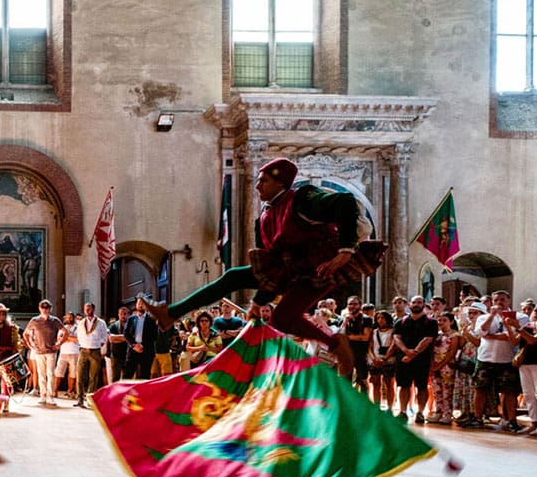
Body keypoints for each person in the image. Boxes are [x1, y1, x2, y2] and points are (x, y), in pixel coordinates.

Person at [140, 158, 384, 377]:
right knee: (234, 277)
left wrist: (345, 250)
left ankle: (336, 345)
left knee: (283, 318)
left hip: (316, 270)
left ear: (281, 183)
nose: (257, 186)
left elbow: (344, 201)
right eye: (257, 181)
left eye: (263, 180)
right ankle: (170, 313)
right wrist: (258, 302)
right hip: (288, 272)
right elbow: (270, 269)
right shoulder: (264, 219)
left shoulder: (302, 199)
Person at [463, 290, 527, 432]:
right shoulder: (483, 317)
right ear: (492, 302)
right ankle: (478, 418)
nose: (499, 303)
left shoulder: (520, 317)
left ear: (509, 301)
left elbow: (513, 338)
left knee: (509, 391)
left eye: (502, 299)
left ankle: (511, 420)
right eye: (496, 300)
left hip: (507, 359)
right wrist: (492, 316)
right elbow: (481, 332)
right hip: (485, 358)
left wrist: (494, 334)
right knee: (480, 389)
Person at [503, 299, 537, 436]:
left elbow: (533, 340)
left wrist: (518, 327)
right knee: (529, 393)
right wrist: (509, 327)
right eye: (536, 308)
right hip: (525, 362)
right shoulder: (529, 325)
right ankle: (534, 422)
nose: (536, 310)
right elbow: (514, 341)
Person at [392, 296, 438, 423]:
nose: (416, 304)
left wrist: (414, 353)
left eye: (419, 302)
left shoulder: (431, 322)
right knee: (404, 386)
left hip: (422, 359)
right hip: (403, 358)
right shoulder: (400, 321)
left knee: (422, 386)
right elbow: (396, 338)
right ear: (409, 304)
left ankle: (420, 412)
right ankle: (402, 411)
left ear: (424, 304)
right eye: (414, 302)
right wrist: (406, 351)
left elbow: (428, 339)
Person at [22, 299, 63, 405]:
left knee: (50, 373)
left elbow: (65, 332)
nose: (45, 309)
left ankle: (50, 395)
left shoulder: (54, 321)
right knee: (41, 374)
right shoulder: (34, 321)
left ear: (50, 309)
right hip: (39, 351)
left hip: (51, 351)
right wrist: (31, 345)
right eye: (43, 307)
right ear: (39, 308)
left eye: (47, 307)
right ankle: (43, 395)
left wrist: (59, 343)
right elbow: (25, 333)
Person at [426, 311, 460, 424]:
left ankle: (448, 413)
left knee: (447, 391)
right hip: (435, 365)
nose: (441, 322)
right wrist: (432, 364)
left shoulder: (454, 335)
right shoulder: (437, 335)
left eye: (444, 320)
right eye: (439, 320)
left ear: (451, 322)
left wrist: (441, 365)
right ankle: (438, 411)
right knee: (437, 390)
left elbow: (452, 352)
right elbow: (432, 351)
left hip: (447, 366)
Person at [73, 303, 108, 408]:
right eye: (85, 309)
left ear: (93, 309)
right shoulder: (81, 322)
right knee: (79, 375)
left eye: (89, 309)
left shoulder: (101, 322)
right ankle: (80, 399)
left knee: (93, 376)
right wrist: (82, 344)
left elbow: (104, 337)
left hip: (95, 351)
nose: (87, 311)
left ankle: (90, 399)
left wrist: (98, 344)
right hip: (83, 350)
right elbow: (78, 335)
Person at [339, 295, 373, 393]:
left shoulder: (366, 319)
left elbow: (365, 337)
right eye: (350, 304)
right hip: (346, 353)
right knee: (345, 380)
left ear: (360, 305)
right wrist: (345, 322)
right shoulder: (343, 319)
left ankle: (363, 400)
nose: (352, 306)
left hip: (360, 353)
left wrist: (349, 337)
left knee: (363, 380)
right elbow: (339, 334)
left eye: (355, 304)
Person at [367, 310, 397, 412]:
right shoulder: (374, 331)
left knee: (389, 384)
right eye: (378, 318)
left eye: (382, 318)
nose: (380, 320)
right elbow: (370, 347)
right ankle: (377, 407)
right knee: (375, 384)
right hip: (375, 360)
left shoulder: (393, 331)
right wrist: (373, 358)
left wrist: (384, 358)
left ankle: (390, 407)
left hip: (388, 360)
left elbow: (393, 346)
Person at [123, 298, 159, 379]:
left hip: (146, 351)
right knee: (127, 375)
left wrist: (142, 346)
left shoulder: (152, 319)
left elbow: (155, 336)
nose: (140, 305)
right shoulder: (131, 319)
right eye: (139, 303)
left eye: (143, 303)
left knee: (145, 376)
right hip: (133, 350)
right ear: (136, 305)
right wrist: (134, 345)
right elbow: (126, 333)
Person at [55, 312, 79, 398]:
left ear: (73, 318)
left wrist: (66, 337)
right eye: (67, 317)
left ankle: (70, 391)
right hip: (63, 353)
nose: (69, 319)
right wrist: (69, 338)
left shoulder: (78, 328)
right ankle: (55, 390)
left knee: (73, 373)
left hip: (74, 352)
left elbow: (78, 339)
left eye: (70, 317)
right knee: (58, 372)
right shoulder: (62, 328)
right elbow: (59, 339)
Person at [106, 307, 129, 384]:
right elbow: (111, 339)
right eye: (121, 314)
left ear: (128, 315)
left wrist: (118, 338)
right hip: (116, 356)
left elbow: (134, 338)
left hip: (128, 355)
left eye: (125, 314)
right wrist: (127, 338)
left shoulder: (131, 325)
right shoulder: (113, 326)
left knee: (127, 379)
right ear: (118, 315)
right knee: (115, 378)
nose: (123, 315)